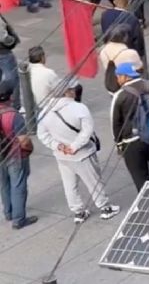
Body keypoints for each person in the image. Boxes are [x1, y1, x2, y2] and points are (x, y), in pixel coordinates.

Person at [36, 78, 120, 223]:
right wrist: (74, 146)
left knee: (69, 184)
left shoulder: (45, 112)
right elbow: (87, 132)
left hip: (61, 155)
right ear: (67, 92)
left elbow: (42, 135)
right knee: (94, 181)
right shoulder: (79, 108)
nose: (74, 91)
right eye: (72, 89)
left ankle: (78, 211)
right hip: (83, 153)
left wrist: (58, 146)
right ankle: (104, 207)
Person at [110, 62, 149, 191]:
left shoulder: (120, 96)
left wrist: (119, 144)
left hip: (132, 142)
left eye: (118, 76)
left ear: (124, 77)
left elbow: (116, 124)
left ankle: (148, 205)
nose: (118, 79)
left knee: (140, 177)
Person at [0, 81, 35, 229]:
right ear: (11, 97)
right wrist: (30, 149)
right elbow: (24, 141)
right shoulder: (14, 116)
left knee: (4, 184)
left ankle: (8, 212)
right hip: (15, 155)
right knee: (18, 185)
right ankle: (19, 219)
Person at [98, 26, 145, 92]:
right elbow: (140, 68)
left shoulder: (103, 52)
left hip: (112, 84)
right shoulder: (130, 53)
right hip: (132, 87)